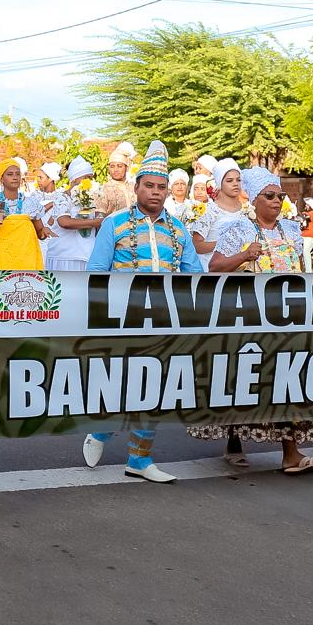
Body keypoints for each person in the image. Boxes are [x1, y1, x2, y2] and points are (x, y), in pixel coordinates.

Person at [190, 166, 313, 473]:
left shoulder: (291, 230)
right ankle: (235, 440)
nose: (277, 201)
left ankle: (290, 452)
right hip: (249, 318)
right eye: (270, 196)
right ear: (254, 199)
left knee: (287, 379)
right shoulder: (238, 229)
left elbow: (303, 270)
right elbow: (215, 266)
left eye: (280, 195)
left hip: (288, 317)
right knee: (246, 380)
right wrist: (243, 256)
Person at [82, 141, 202, 484]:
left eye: (162, 187)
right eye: (149, 185)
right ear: (136, 188)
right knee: (122, 385)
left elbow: (195, 278)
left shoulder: (179, 230)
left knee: (157, 389)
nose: (156, 192)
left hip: (165, 321)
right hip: (122, 319)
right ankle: (102, 432)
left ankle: (139, 458)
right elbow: (96, 272)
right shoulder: (115, 224)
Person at [0, 157, 47, 270]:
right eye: (10, 174)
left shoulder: (30, 203)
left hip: (25, 264)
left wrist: (45, 232)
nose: (15, 177)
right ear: (2, 179)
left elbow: (40, 234)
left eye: (17, 174)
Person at [42, 157, 103, 271]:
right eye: (86, 177)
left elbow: (100, 216)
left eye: (90, 178)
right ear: (74, 179)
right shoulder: (62, 197)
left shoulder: (90, 197)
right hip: (65, 256)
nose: (89, 181)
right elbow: (64, 222)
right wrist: (95, 222)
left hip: (86, 255)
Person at [188, 158, 242, 268]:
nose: (235, 184)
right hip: (212, 272)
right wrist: (223, 244)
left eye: (238, 180)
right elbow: (197, 245)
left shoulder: (247, 210)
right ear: (219, 183)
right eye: (229, 180)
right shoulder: (210, 210)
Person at [96, 142, 136, 215]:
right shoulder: (104, 189)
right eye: (112, 166)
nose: (115, 170)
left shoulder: (134, 187)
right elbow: (99, 217)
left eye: (119, 166)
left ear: (126, 168)